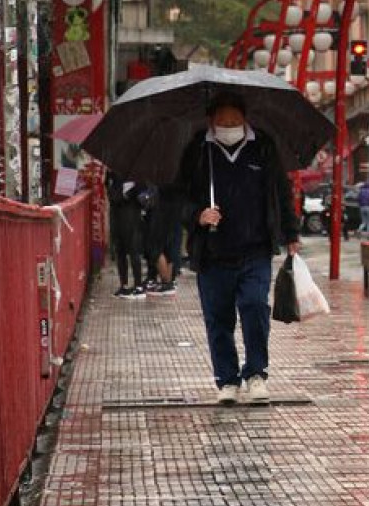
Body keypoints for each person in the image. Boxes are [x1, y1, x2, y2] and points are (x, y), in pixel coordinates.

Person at [175, 90, 300, 405]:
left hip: (255, 250)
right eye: (222, 120)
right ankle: (226, 380)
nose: (228, 125)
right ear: (211, 121)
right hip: (213, 254)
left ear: (245, 119)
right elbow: (177, 198)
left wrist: (291, 234)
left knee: (255, 308)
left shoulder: (263, 148)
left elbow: (282, 194)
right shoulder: (197, 151)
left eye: (234, 120)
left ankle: (256, 373)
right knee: (218, 319)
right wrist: (198, 215)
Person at [108, 180, 150, 299]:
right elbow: (111, 194)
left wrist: (129, 194)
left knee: (134, 251)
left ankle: (138, 285)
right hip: (117, 217)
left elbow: (143, 197)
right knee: (120, 251)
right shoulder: (114, 175)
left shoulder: (138, 177)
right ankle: (124, 285)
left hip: (132, 218)